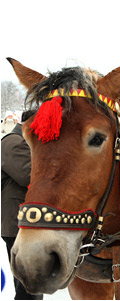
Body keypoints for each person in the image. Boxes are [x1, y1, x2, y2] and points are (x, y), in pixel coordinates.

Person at [2, 109, 43, 300]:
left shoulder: (24, 142)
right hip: (16, 222)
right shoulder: (13, 142)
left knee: (32, 281)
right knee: (26, 283)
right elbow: (28, 175)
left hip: (26, 220)